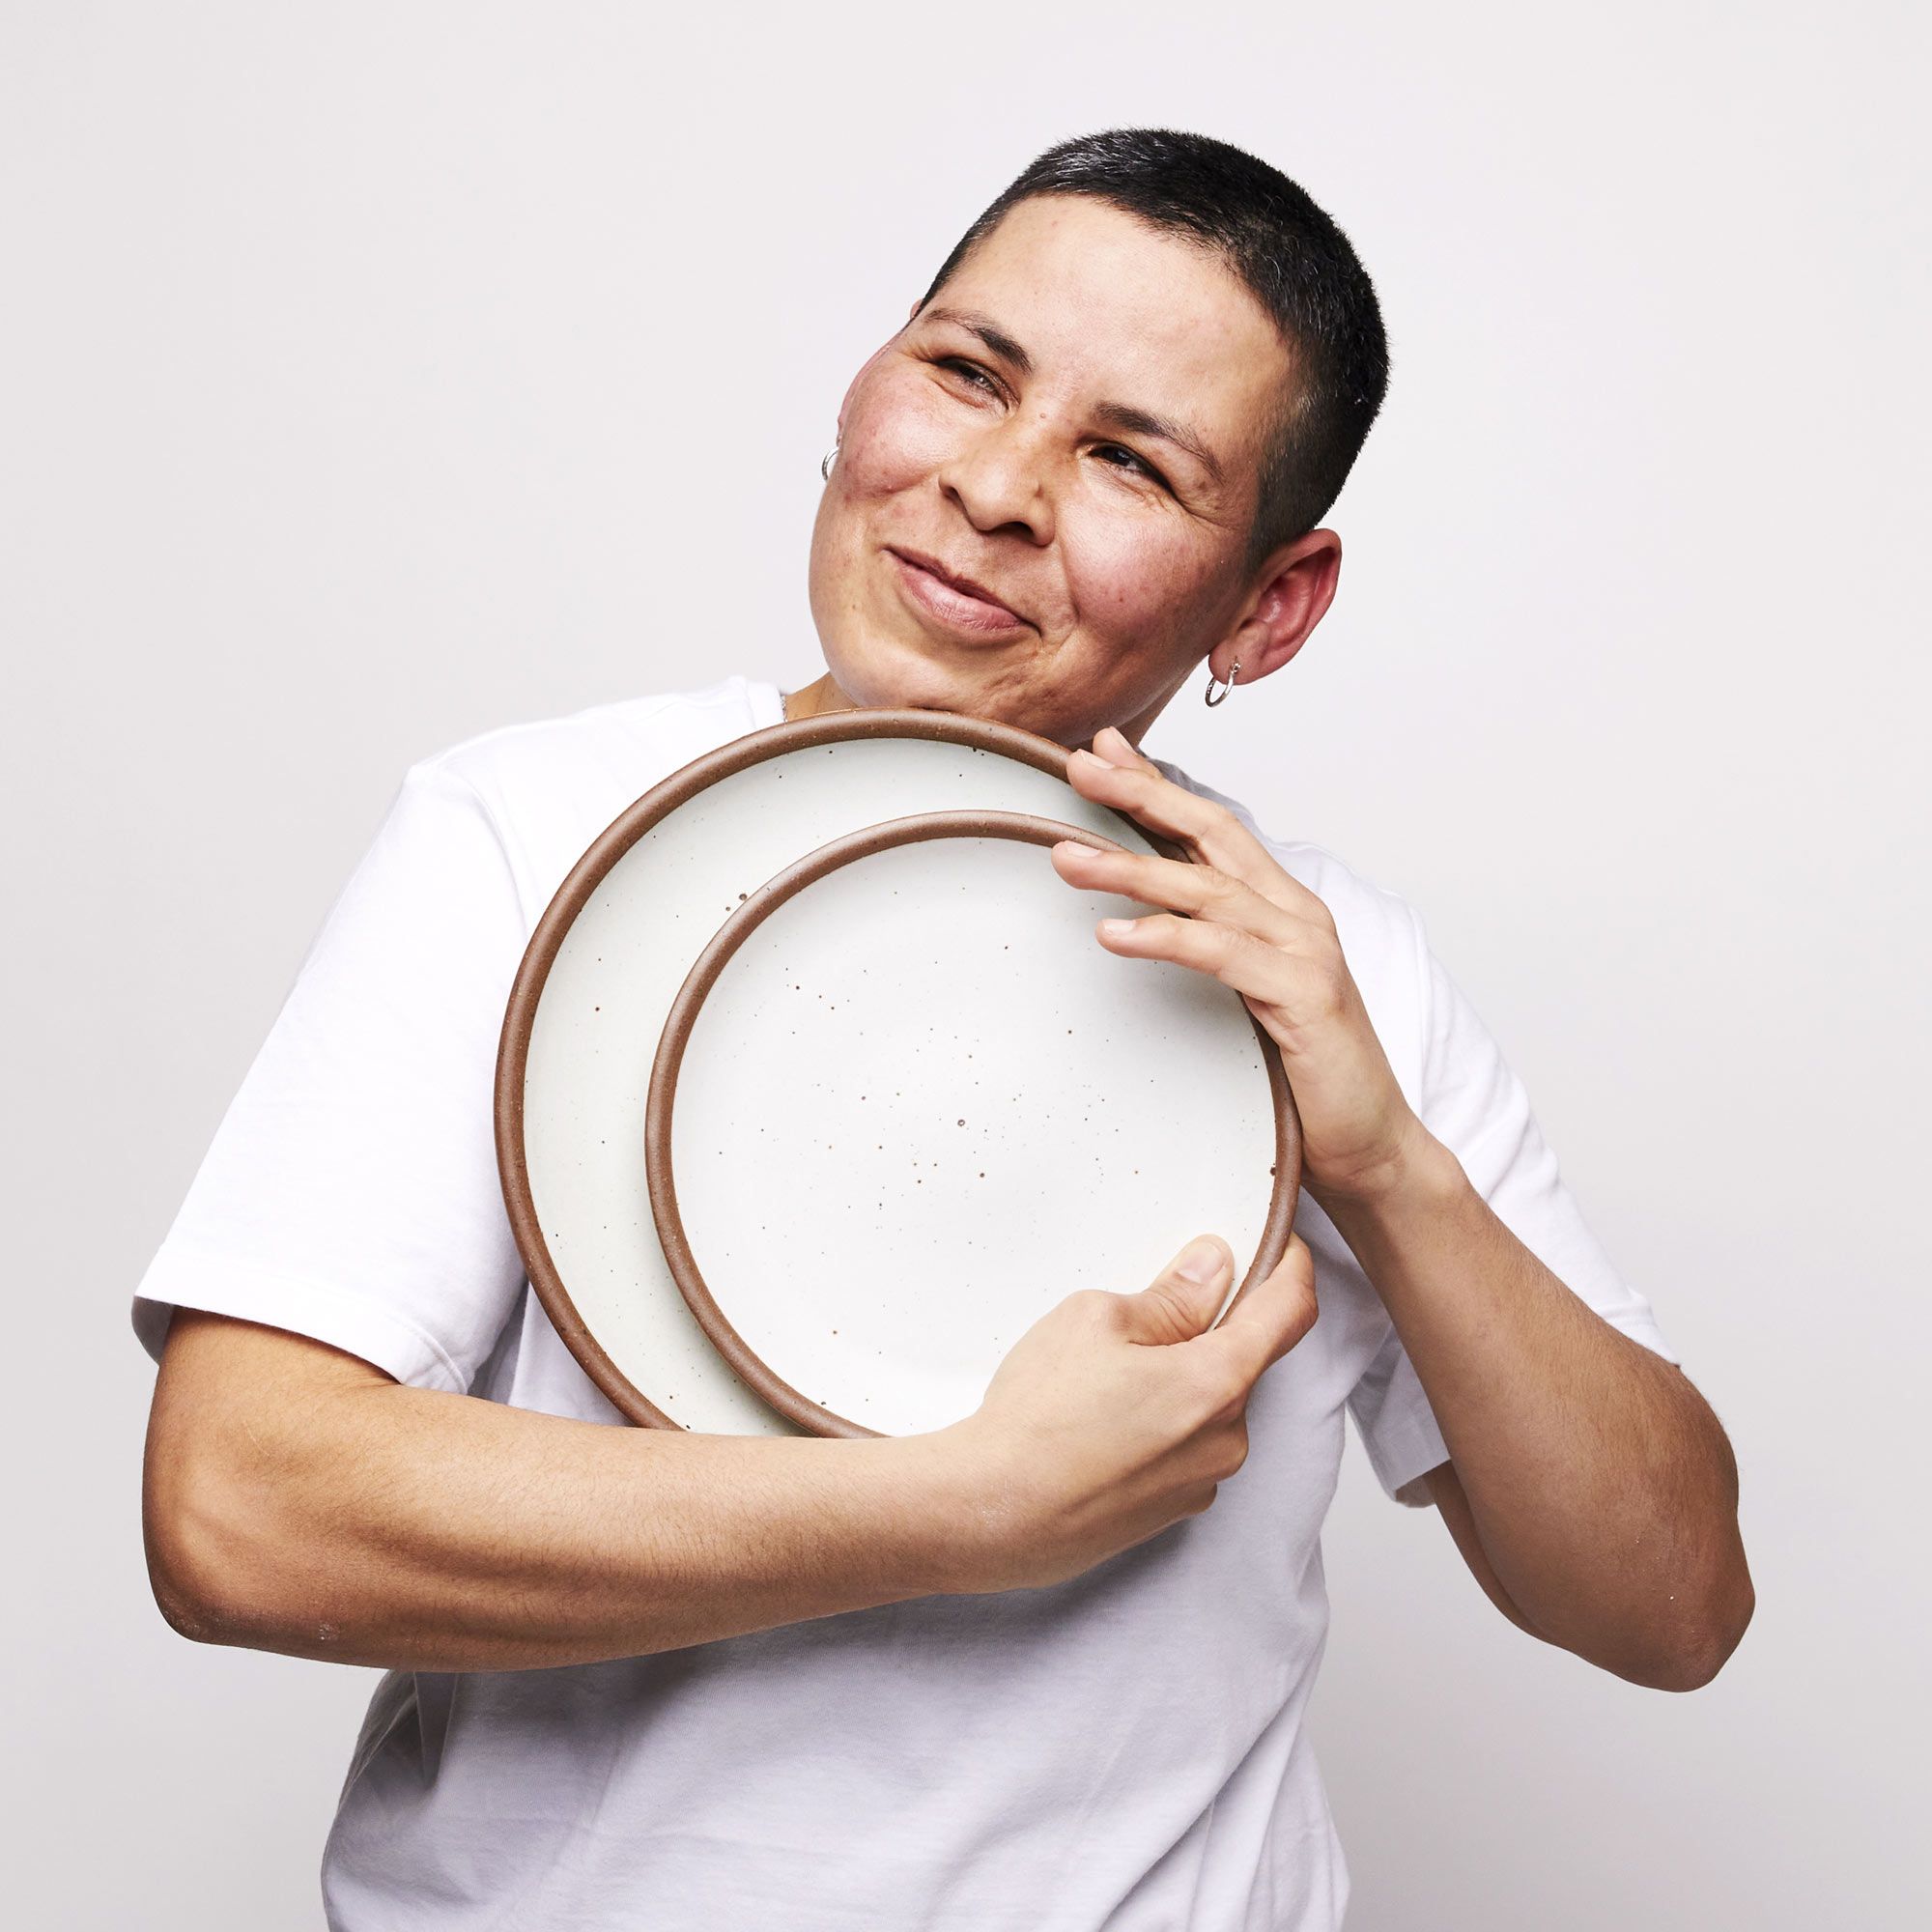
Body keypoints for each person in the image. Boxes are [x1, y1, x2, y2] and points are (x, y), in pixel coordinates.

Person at [136, 128, 1753, 1930]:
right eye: (967, 372)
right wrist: (959, 1504)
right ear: (865, 385)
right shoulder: (524, 832)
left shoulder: (1328, 964)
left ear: (1271, 604)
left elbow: (1673, 1607)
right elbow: (239, 1512)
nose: (995, 487)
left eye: (1131, 459)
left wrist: (1390, 1167)